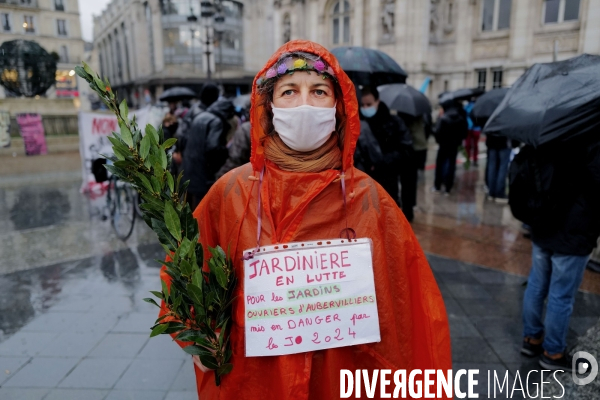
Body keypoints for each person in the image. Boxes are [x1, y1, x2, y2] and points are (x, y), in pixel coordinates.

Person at [159, 40, 451, 399]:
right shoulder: (232, 192)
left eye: (318, 91)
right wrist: (196, 336)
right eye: (289, 91)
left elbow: (411, 308)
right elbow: (185, 273)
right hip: (256, 380)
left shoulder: (369, 198)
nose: (304, 105)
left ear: (337, 105)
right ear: (268, 107)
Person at [521, 140, 600, 371]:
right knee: (561, 295)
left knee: (536, 284)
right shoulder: (592, 143)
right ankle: (553, 352)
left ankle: (531, 338)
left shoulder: (549, 134)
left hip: (543, 222)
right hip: (574, 230)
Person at [355, 86, 416, 220]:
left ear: (378, 101)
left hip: (388, 178)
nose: (365, 108)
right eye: (363, 105)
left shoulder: (394, 122)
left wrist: (384, 160)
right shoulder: (357, 123)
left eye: (369, 104)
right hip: (365, 182)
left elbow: (406, 150)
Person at [181, 93, 234, 210]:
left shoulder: (200, 115)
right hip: (203, 171)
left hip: (189, 166)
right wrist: (226, 151)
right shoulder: (216, 121)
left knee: (190, 206)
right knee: (202, 208)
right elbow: (213, 147)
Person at [433, 100, 468, 194]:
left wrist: (439, 140)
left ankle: (438, 185)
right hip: (454, 144)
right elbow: (464, 132)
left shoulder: (443, 118)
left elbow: (438, 132)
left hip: (443, 144)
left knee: (440, 164)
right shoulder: (460, 118)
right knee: (451, 164)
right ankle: (448, 187)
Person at [485, 133, 514, 202]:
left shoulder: (492, 122)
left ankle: (491, 191)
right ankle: (499, 192)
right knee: (502, 168)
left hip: (491, 141)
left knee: (492, 166)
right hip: (504, 142)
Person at [464, 99, 481, 167]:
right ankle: (470, 159)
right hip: (470, 127)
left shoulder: (469, 106)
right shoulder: (467, 106)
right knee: (470, 145)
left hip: (474, 127)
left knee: (472, 145)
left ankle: (473, 159)